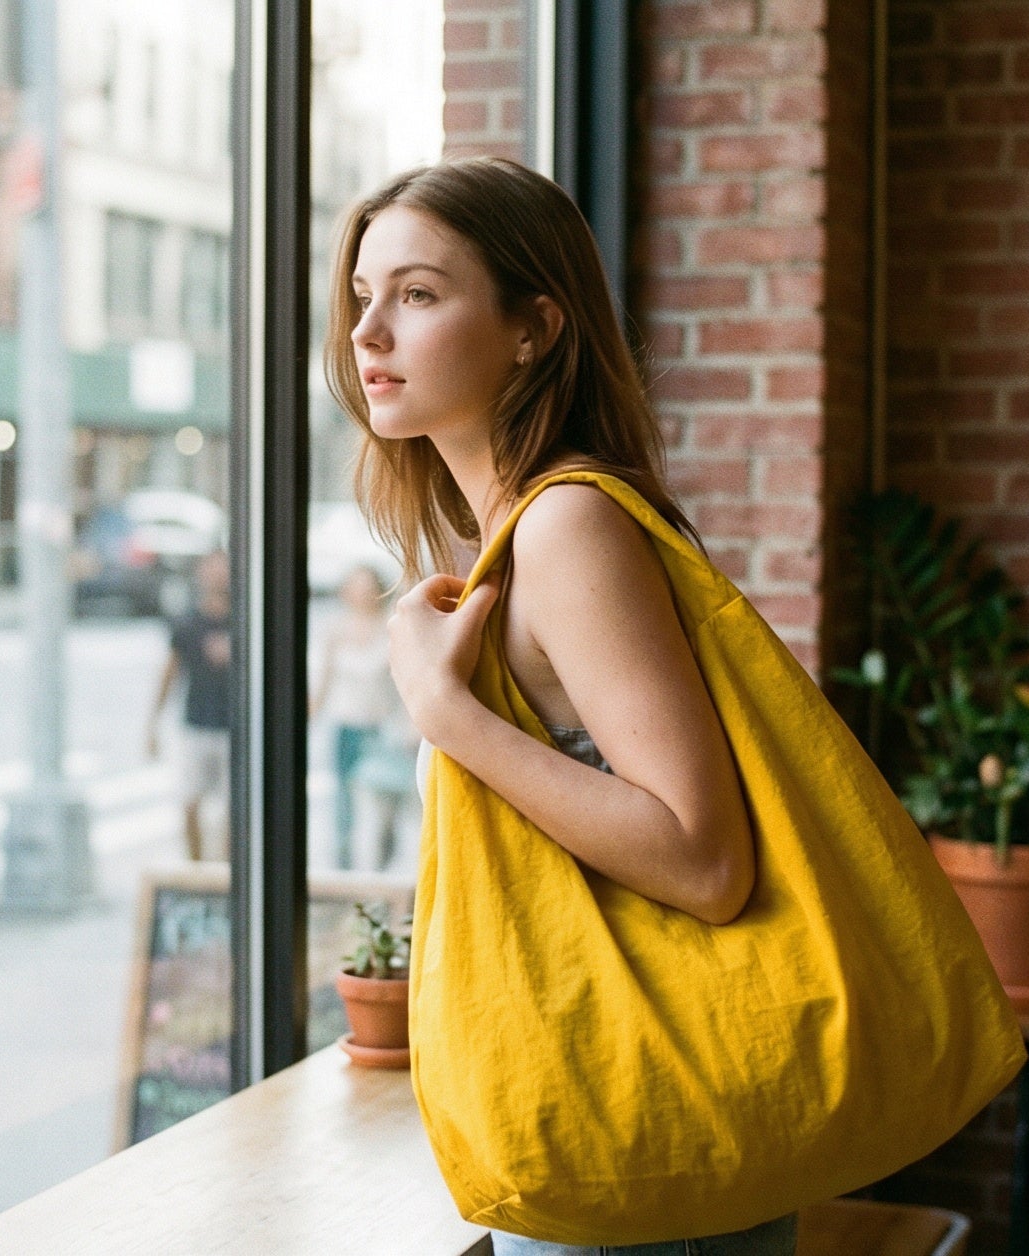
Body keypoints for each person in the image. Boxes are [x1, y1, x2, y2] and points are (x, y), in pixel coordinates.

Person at [327, 158, 792, 1254]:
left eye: (419, 294)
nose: (368, 334)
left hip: (642, 1141)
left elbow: (701, 860)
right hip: (614, 1121)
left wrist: (447, 710)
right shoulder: (517, 529)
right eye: (362, 297)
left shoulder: (567, 525)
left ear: (534, 326)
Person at [308, 563, 399, 868]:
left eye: (368, 585)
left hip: (382, 729)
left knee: (384, 807)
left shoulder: (392, 626)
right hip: (345, 726)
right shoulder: (335, 629)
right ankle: (345, 870)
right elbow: (324, 679)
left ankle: (382, 871)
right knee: (343, 803)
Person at [147, 550, 231, 861]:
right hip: (196, 724)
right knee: (190, 803)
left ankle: (227, 872)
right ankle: (196, 871)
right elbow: (169, 673)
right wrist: (152, 724)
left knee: (233, 810)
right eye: (212, 568)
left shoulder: (247, 619)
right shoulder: (187, 623)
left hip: (236, 727)